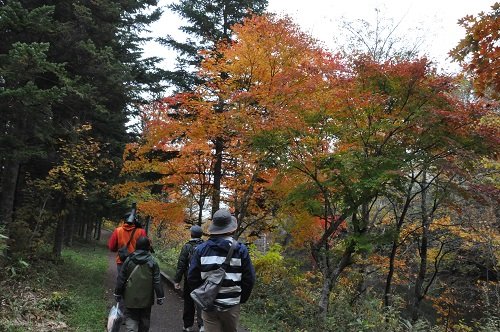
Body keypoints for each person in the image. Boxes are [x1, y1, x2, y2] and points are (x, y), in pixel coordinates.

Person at [188, 209, 255, 332]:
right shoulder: (241, 250)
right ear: (231, 229)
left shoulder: (201, 250)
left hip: (209, 305)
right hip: (231, 305)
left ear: (214, 228)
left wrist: (203, 296)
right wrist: (240, 298)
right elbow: (249, 279)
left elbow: (192, 278)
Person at [114, 236, 165, 332]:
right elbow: (157, 281)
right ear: (148, 247)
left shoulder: (129, 260)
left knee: (130, 318)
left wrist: (117, 293)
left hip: (130, 297)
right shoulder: (152, 262)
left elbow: (121, 278)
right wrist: (160, 296)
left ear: (136, 246)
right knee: (144, 320)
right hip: (146, 299)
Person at [174, 225, 205, 332]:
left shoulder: (187, 247)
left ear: (191, 234)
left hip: (189, 279)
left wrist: (177, 280)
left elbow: (181, 265)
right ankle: (202, 326)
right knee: (201, 301)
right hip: (203, 279)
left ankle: (187, 325)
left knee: (188, 301)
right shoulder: (205, 246)